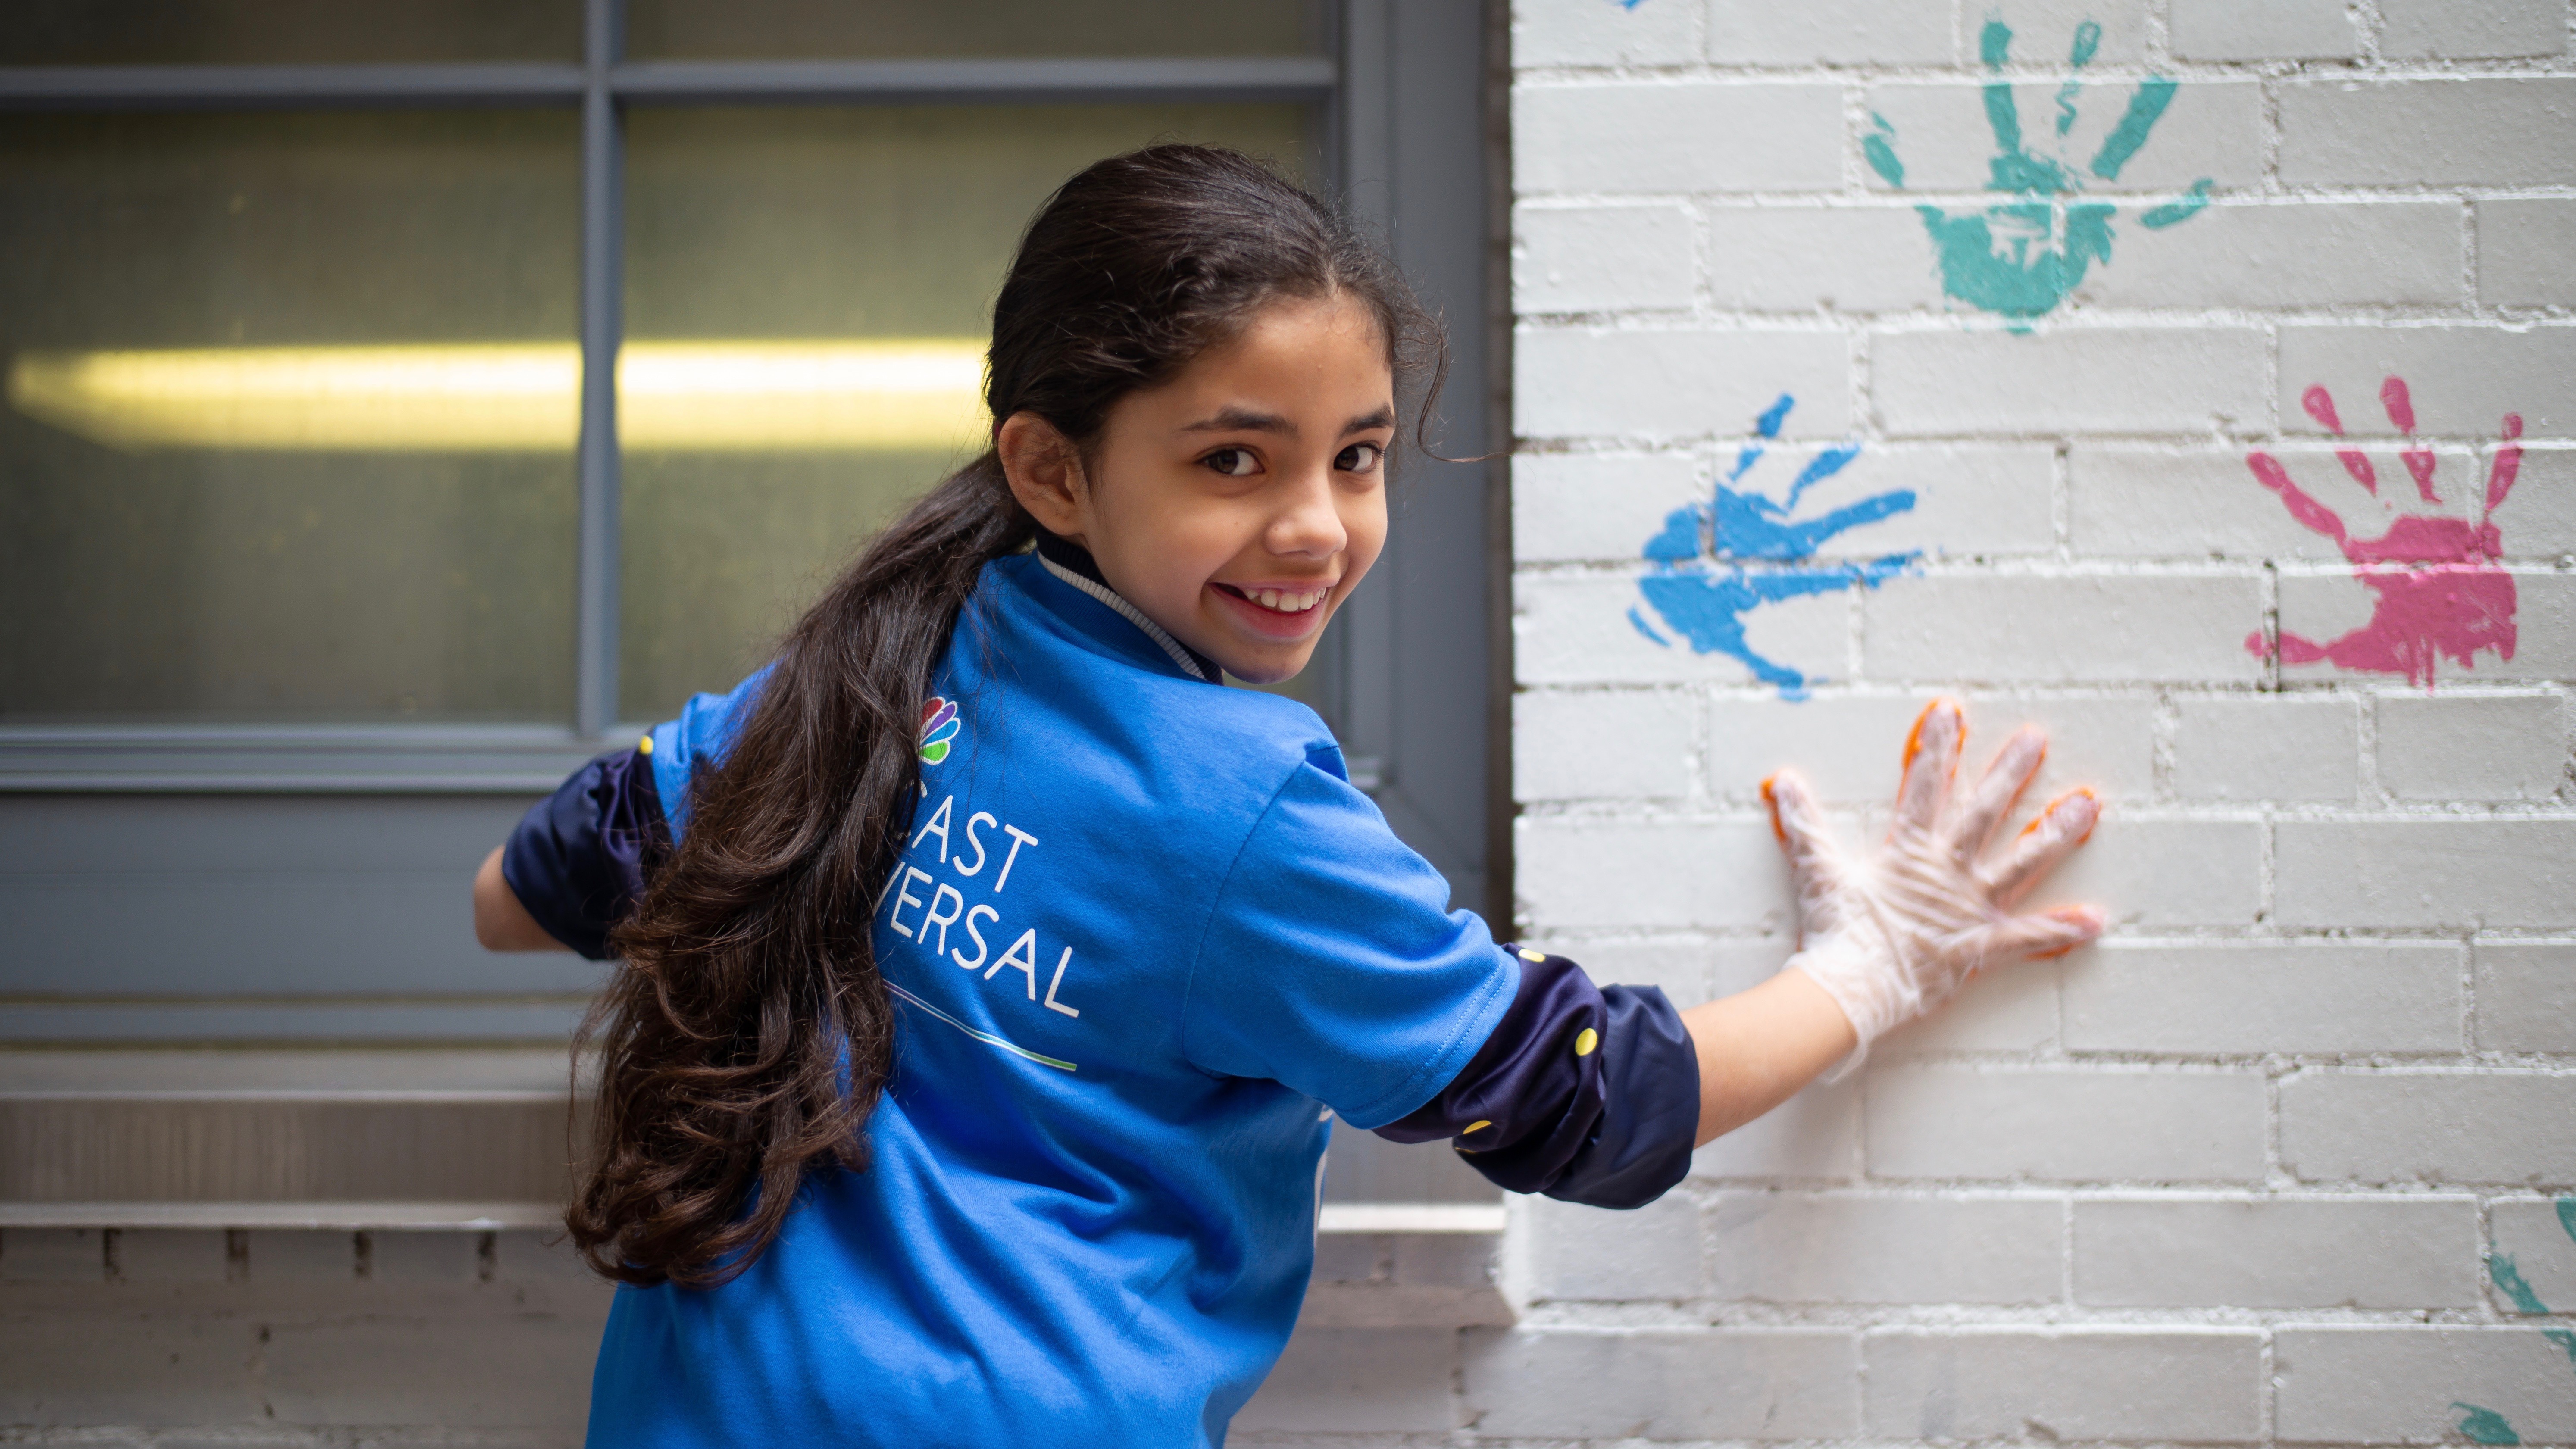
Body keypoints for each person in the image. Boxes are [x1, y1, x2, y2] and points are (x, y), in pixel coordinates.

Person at [470, 144, 2105, 1448]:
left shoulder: (873, 654)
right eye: (1234, 461)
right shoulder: (1240, 806)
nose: (1319, 527)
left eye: (1360, 455)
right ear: (1054, 467)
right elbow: (1588, 1102)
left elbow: (530, 884)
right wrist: (1878, 959)